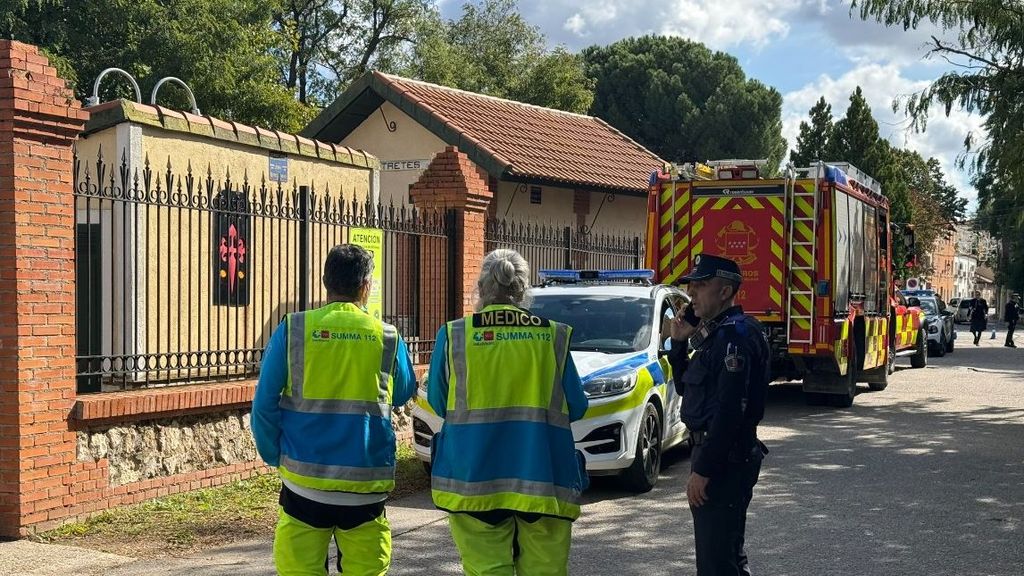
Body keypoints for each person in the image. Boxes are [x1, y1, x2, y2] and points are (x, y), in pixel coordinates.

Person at [251, 244, 416, 576]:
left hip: (303, 484)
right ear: (366, 286)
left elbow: (264, 403)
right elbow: (403, 392)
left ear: (325, 281)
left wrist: (275, 455)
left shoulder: (295, 328)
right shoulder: (387, 336)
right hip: (365, 486)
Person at [426, 249, 589, 576]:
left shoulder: (456, 334)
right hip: (544, 476)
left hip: (474, 478)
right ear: (523, 290)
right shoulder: (552, 335)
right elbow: (578, 406)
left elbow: (438, 400)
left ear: (482, 288)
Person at [665, 253, 770, 576]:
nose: (691, 294)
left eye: (701, 285)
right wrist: (679, 342)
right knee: (725, 558)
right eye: (691, 286)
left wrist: (705, 469)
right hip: (716, 455)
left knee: (716, 564)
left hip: (725, 460)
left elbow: (729, 411)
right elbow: (687, 388)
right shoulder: (716, 335)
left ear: (725, 292)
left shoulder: (733, 337)